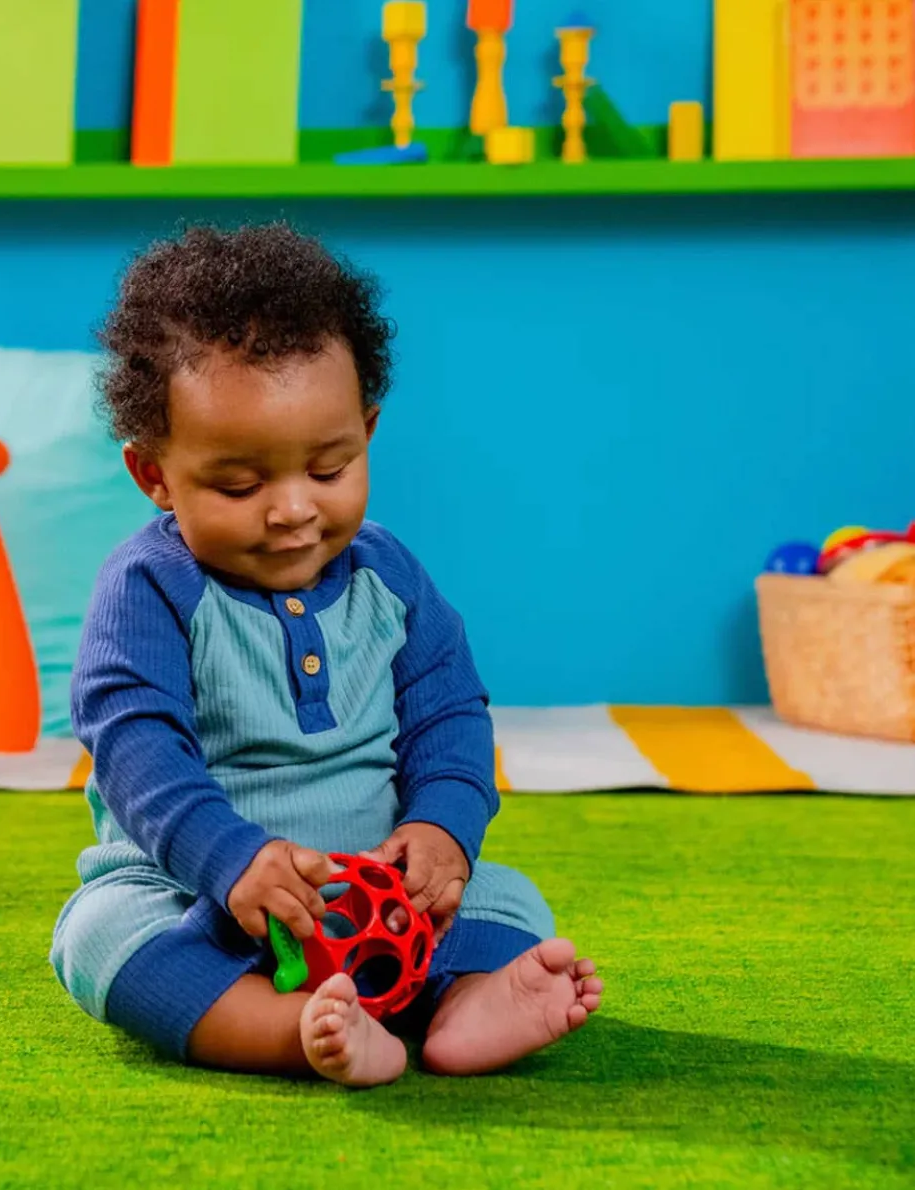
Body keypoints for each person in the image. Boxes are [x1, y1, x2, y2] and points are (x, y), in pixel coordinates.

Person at [51, 223, 602, 1087]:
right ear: (154, 475)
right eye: (240, 485)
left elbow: (450, 717)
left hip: (384, 901)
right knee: (99, 938)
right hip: (205, 897)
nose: (293, 510)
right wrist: (228, 861)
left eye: (330, 466)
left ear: (367, 431)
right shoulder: (149, 589)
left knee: (510, 897)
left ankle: (461, 1007)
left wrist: (441, 833)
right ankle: (285, 1028)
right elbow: (136, 750)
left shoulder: (391, 577)